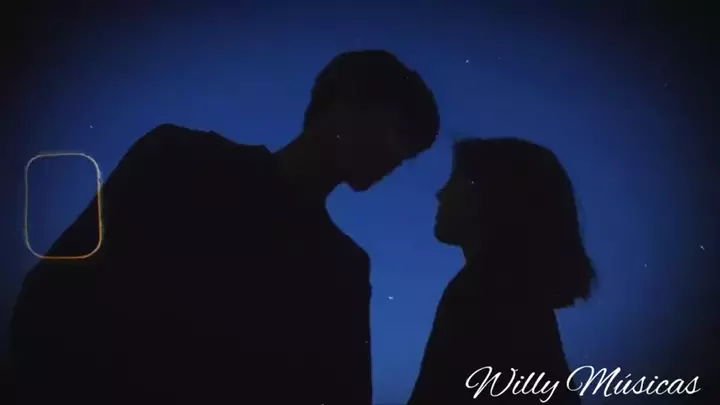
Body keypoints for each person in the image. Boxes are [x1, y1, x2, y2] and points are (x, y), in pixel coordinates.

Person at [10, 50, 440, 405]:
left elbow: (339, 391)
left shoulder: (345, 267)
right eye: (398, 131)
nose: (398, 157)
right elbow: (55, 291)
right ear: (349, 98)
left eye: (410, 153)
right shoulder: (179, 160)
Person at [408, 138, 595, 404]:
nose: (441, 193)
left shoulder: (481, 292)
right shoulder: (513, 293)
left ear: (492, 195)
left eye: (457, 180)